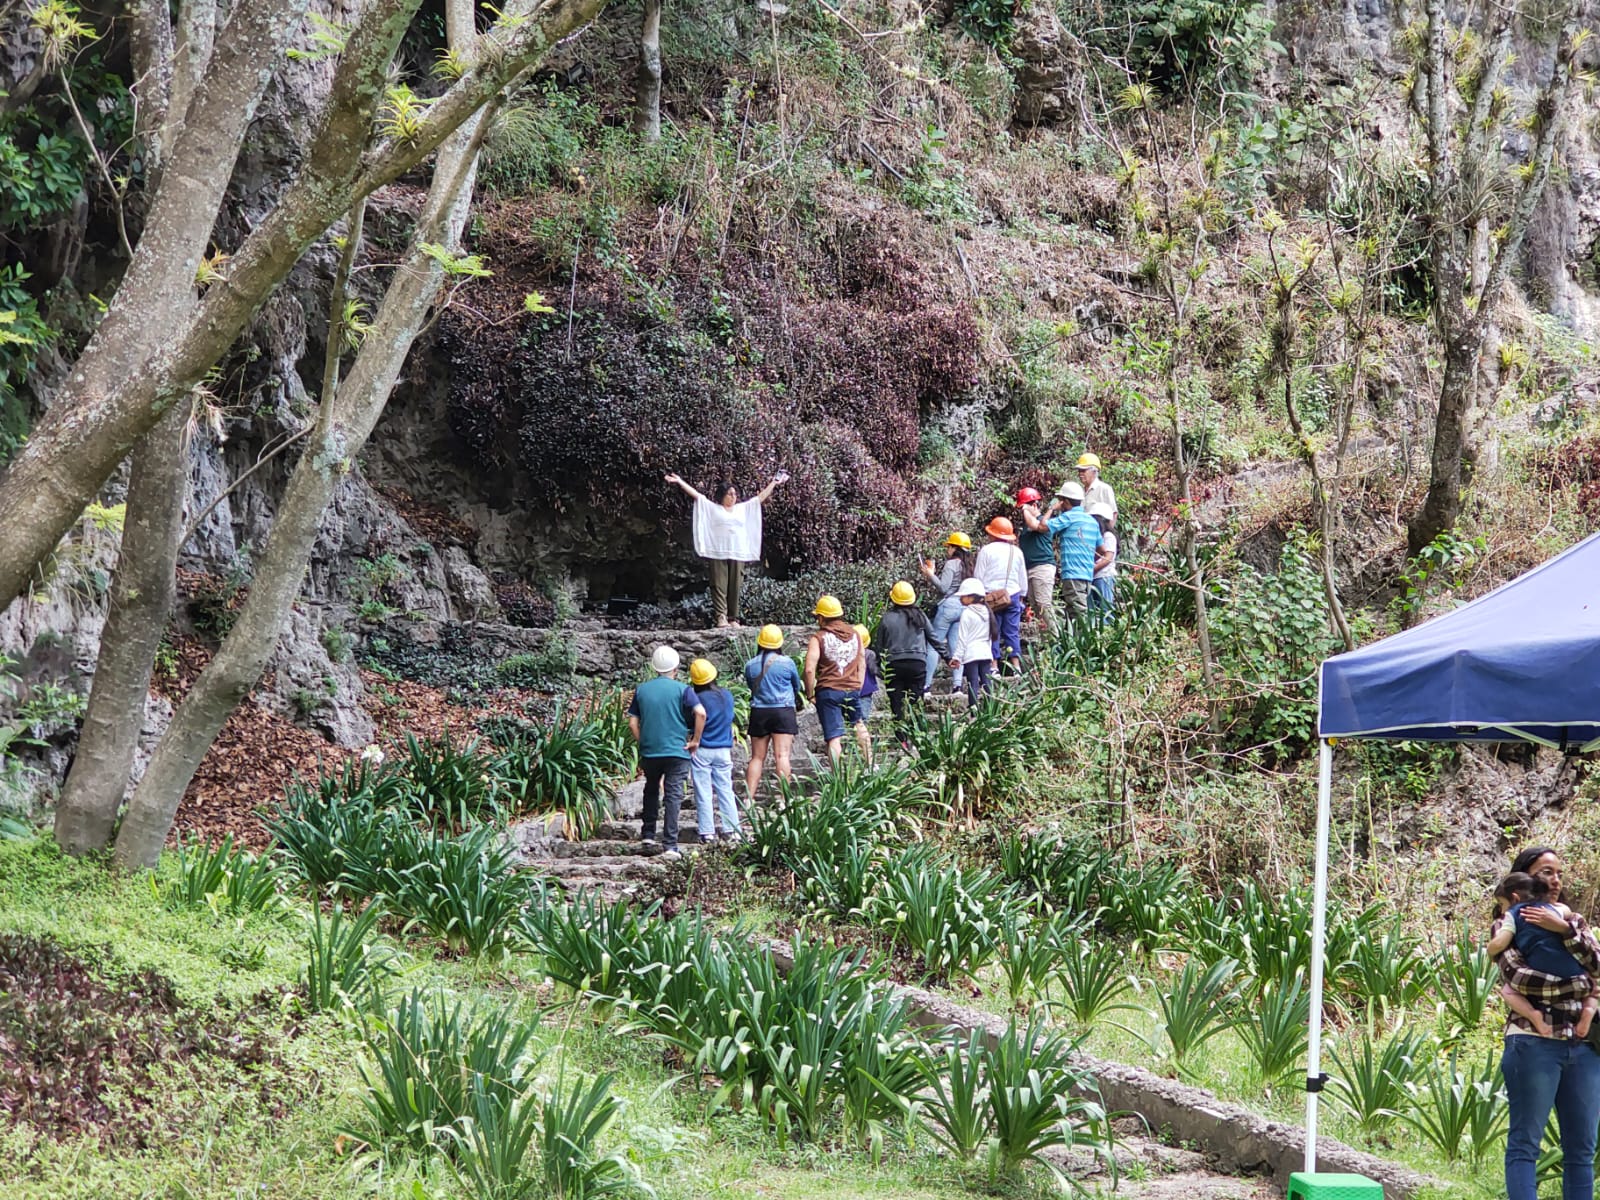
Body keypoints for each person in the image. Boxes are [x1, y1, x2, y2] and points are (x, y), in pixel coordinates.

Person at [1494, 847, 1600, 1200]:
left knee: (1582, 1150)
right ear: (1525, 878)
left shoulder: (1574, 920)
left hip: (1584, 1047)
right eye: (1544, 873)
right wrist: (1584, 984)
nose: (1553, 881)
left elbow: (1598, 961)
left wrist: (1565, 930)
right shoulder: (1509, 921)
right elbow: (1521, 978)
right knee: (1526, 1143)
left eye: (1558, 873)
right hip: (1532, 1043)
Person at [663, 469, 790, 627]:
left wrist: (774, 482)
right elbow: (697, 495)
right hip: (718, 551)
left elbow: (760, 498)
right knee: (718, 584)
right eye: (729, 493)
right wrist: (680, 482)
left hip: (737, 552)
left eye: (735, 493)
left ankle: (733, 618)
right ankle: (721, 616)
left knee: (735, 585)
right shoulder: (713, 508)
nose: (733, 496)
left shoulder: (742, 508)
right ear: (722, 495)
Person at [1488, 872, 1598, 1037]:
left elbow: (1501, 943)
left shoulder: (1512, 915)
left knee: (1507, 991)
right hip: (1574, 970)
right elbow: (1567, 910)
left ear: (1515, 898)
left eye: (1502, 904)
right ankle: (1588, 1010)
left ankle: (1534, 1016)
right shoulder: (1554, 910)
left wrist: (1490, 951)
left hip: (1542, 969)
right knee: (1593, 991)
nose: (1502, 909)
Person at [625, 646, 705, 860]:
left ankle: (648, 834)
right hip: (677, 750)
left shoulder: (642, 690)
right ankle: (670, 844)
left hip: (651, 751)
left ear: (654, 668)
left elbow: (633, 722)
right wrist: (695, 740)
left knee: (651, 788)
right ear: (676, 668)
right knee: (673, 795)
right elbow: (700, 712)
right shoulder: (683, 690)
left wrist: (644, 740)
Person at [744, 624, 804, 799]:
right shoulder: (787, 663)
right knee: (782, 755)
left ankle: (749, 799)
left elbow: (751, 686)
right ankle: (784, 799)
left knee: (757, 757)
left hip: (760, 712)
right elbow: (796, 685)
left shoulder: (750, 665)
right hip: (783, 710)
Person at [803, 595, 865, 764]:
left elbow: (809, 669)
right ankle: (870, 765)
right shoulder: (855, 635)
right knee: (858, 724)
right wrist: (857, 685)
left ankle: (836, 778)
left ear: (822, 618)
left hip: (829, 691)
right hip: (851, 689)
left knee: (834, 737)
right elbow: (861, 660)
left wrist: (810, 694)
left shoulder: (819, 637)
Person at [878, 581, 943, 740]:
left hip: (894, 664)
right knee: (916, 701)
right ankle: (918, 737)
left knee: (896, 703)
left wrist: (878, 668)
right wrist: (948, 656)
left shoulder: (886, 619)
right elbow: (933, 638)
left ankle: (902, 740)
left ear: (893, 599)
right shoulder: (920, 616)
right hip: (917, 663)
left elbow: (879, 646)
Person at [685, 658, 741, 844]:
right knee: (726, 789)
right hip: (723, 748)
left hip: (702, 748)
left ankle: (707, 832)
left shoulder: (695, 698)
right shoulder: (727, 695)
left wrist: (694, 739)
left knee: (703, 791)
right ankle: (732, 830)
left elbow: (690, 721)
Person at [1030, 481, 1102, 622]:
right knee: (1074, 611)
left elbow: (1042, 526)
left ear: (1065, 501)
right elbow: (1102, 550)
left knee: (1078, 615)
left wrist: (1051, 509)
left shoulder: (1068, 517)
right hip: (1087, 574)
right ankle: (1074, 642)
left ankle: (1083, 643)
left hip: (1073, 573)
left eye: (1061, 500)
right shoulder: (1092, 521)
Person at [920, 532, 973, 692]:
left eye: (949, 547)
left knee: (934, 645)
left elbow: (943, 588)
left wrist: (930, 574)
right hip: (963, 606)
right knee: (956, 647)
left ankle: (926, 685)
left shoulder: (952, 564)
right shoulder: (968, 565)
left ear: (954, 548)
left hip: (948, 606)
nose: (947, 550)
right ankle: (957, 685)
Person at [973, 516, 1026, 670]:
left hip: (991, 596)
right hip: (1013, 595)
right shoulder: (1016, 552)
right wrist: (1022, 595)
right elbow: (1022, 576)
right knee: (1012, 632)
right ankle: (1016, 667)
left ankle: (994, 666)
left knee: (992, 632)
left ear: (992, 534)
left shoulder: (986, 550)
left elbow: (978, 576)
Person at [1014, 487, 1059, 635]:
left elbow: (1035, 525)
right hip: (1031, 568)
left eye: (1024, 508)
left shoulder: (1042, 522)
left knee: (1043, 604)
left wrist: (1027, 509)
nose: (1022, 513)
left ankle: (1057, 637)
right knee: (1035, 605)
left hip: (1042, 567)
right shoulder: (1027, 526)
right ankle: (1048, 640)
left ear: (1034, 506)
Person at [949, 577, 996, 703]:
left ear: (971, 597)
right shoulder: (988, 611)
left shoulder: (967, 613)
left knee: (973, 684)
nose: (960, 598)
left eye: (963, 596)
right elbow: (990, 636)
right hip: (985, 652)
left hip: (971, 654)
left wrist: (957, 657)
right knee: (987, 683)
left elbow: (963, 639)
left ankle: (973, 712)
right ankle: (990, 710)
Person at [852, 624, 879, 764]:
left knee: (855, 719)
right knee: (864, 719)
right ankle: (865, 746)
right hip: (866, 690)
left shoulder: (850, 654)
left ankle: (857, 744)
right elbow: (874, 670)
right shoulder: (870, 654)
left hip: (852, 690)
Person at [1088, 501, 1118, 614]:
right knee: (1092, 610)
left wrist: (1092, 569)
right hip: (1094, 577)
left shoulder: (1108, 536)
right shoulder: (1096, 537)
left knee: (1105, 610)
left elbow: (1108, 557)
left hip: (1104, 576)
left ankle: (1107, 630)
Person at [1075, 452, 1117, 524]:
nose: (1080, 474)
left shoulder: (1104, 489)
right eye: (1079, 471)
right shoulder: (1080, 491)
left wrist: (1106, 533)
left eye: (1083, 470)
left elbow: (1113, 514)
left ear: (1094, 471)